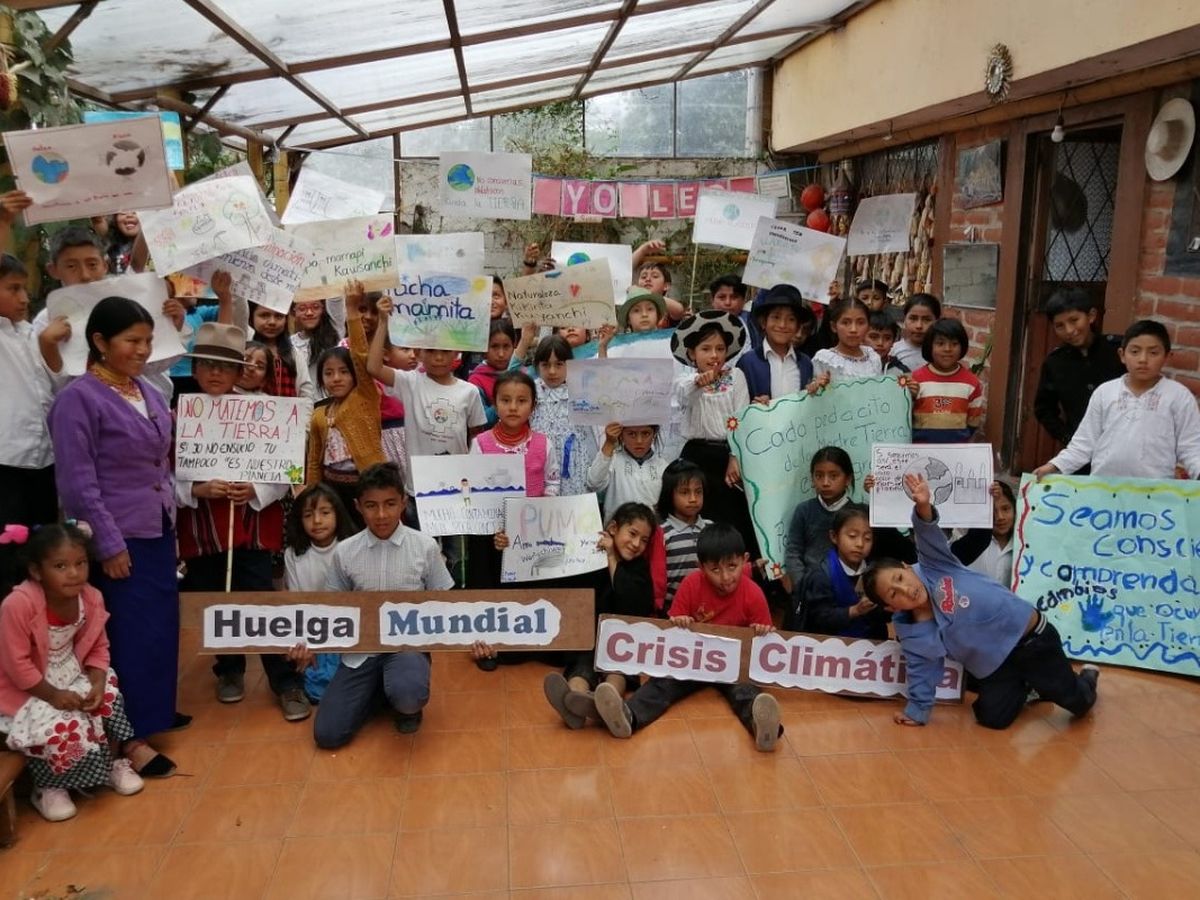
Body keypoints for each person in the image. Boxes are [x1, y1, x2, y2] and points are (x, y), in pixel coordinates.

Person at [48, 297, 182, 777]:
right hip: (119, 535)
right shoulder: (78, 399)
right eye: (132, 340)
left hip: (157, 526)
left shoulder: (145, 389)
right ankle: (130, 738)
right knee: (127, 634)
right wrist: (108, 544)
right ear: (100, 342)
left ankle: (154, 710)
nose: (143, 349)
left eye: (148, 340)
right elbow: (77, 484)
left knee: (159, 628)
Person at [862, 472, 1100, 729]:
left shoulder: (935, 565)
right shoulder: (912, 631)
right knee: (991, 718)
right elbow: (922, 668)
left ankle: (1087, 678)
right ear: (891, 607)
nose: (905, 589)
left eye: (900, 578)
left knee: (1077, 702)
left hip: (1032, 640)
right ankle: (1028, 685)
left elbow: (928, 535)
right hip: (997, 665)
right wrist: (918, 710)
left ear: (906, 567)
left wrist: (922, 507)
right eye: (894, 594)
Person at [175, 322, 308, 720]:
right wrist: (196, 490)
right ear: (194, 370)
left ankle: (284, 680)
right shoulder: (178, 417)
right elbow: (162, 477)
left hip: (251, 530)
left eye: (225, 366)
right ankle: (229, 668)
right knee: (215, 601)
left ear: (239, 371)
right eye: (206, 364)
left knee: (260, 599)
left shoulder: (264, 412)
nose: (215, 373)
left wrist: (255, 489)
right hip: (202, 532)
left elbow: (286, 472)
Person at [591, 523, 783, 751]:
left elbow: (764, 641)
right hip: (692, 661)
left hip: (732, 666)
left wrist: (762, 630)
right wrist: (680, 621)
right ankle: (628, 717)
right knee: (662, 683)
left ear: (745, 560)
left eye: (732, 566)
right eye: (715, 570)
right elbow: (674, 630)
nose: (725, 577)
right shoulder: (691, 584)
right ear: (701, 567)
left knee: (745, 692)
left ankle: (762, 727)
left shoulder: (754, 593)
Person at [0, 524, 145, 822]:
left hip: (69, 671)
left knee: (109, 697)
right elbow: (16, 665)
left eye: (81, 563)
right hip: (27, 686)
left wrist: (97, 681)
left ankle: (110, 765)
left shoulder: (91, 597)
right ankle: (49, 786)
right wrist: (52, 695)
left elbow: (99, 647)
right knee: (58, 724)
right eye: (60, 566)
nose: (74, 573)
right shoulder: (18, 604)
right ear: (37, 571)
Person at [310, 463, 453, 746]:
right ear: (357, 507)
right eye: (371, 506)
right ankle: (377, 692)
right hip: (361, 652)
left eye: (390, 504)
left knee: (409, 695)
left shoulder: (425, 546)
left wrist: (474, 638)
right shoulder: (345, 552)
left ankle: (403, 698)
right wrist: (308, 643)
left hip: (407, 648)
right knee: (327, 734)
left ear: (403, 502)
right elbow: (332, 609)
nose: (382, 514)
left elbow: (447, 603)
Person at [1034, 320, 1200, 480]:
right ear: (1122, 355)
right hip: (1104, 488)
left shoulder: (1179, 397)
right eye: (1135, 351)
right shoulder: (1105, 393)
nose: (1143, 359)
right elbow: (1084, 443)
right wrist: (1054, 466)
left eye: (1153, 353)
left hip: (1155, 492)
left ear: (1167, 357)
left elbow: (1191, 447)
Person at [543, 502, 658, 729]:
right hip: (588, 635)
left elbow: (634, 603)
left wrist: (613, 558)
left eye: (644, 540)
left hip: (622, 640)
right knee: (581, 666)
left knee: (617, 670)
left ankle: (609, 702)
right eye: (632, 534)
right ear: (613, 528)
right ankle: (574, 700)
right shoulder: (588, 556)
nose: (637, 544)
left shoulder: (639, 568)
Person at [365, 296, 487, 499]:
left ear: (456, 352)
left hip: (456, 485)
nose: (438, 357)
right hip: (418, 487)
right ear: (418, 352)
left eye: (445, 350)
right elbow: (373, 367)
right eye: (430, 350)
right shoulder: (409, 383)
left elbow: (476, 436)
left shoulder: (470, 391)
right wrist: (383, 322)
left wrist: (471, 471)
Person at [0, 254, 69, 598]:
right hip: (6, 463)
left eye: (24, 289)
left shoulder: (32, 333)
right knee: (7, 555)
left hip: (43, 460)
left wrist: (47, 345)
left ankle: (37, 618)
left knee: (40, 550)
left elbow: (58, 386)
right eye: (13, 289)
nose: (24, 298)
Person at [671, 310, 754, 549]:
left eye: (719, 348)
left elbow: (742, 418)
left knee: (733, 519)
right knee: (698, 516)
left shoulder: (736, 376)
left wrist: (735, 456)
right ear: (692, 353)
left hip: (730, 457)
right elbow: (684, 395)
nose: (714, 355)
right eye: (706, 349)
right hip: (696, 458)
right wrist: (698, 382)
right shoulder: (685, 381)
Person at [305, 282, 385, 515]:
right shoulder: (319, 414)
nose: (336, 378)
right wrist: (312, 497)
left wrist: (351, 309)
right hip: (333, 491)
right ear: (321, 380)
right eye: (328, 373)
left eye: (343, 371)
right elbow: (314, 461)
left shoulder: (364, 397)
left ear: (354, 375)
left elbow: (360, 355)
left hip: (367, 485)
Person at [284, 484, 358, 704]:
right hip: (312, 629)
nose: (317, 521)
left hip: (349, 628)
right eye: (308, 515)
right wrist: (303, 644)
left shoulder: (352, 547)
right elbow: (295, 603)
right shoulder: (293, 554)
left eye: (325, 513)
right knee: (315, 682)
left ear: (338, 514)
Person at [1033, 288, 1124, 449]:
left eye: (1074, 320)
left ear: (1091, 316)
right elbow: (1044, 409)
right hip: (1082, 451)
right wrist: (1068, 438)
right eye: (1059, 325)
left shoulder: (1119, 351)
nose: (1069, 330)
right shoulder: (1055, 363)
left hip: (1123, 445)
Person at [786, 504, 888, 639]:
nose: (860, 544)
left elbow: (885, 617)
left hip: (871, 645)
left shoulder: (876, 571)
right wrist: (854, 611)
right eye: (852, 536)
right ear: (834, 536)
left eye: (867, 538)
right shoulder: (821, 574)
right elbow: (819, 618)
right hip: (831, 646)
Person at [529, 334, 596, 497]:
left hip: (574, 464)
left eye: (559, 364)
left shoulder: (581, 391)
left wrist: (602, 347)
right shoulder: (531, 392)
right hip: (540, 462)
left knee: (571, 507)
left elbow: (605, 385)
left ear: (569, 364)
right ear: (537, 366)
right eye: (546, 365)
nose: (552, 371)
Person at [784, 447, 856, 594]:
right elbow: (793, 551)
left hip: (848, 588)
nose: (825, 483)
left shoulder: (857, 514)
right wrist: (802, 585)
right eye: (819, 476)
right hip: (809, 587)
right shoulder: (804, 510)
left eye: (833, 476)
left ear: (848, 479)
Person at [736, 283, 815, 402]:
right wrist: (754, 407)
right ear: (764, 322)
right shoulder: (748, 363)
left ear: (798, 326)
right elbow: (738, 404)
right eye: (776, 317)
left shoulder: (805, 363)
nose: (782, 325)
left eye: (791, 319)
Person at [911, 318, 983, 443]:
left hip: (956, 451)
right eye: (940, 344)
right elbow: (906, 416)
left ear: (962, 346)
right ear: (930, 346)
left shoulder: (971, 383)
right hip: (921, 450)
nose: (948, 349)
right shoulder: (916, 379)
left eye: (954, 344)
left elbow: (973, 422)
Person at [652, 459, 710, 614]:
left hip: (708, 611)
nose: (693, 498)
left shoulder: (711, 529)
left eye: (698, 492)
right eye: (684, 492)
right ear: (669, 495)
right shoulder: (661, 533)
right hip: (672, 613)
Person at [586, 423, 665, 520]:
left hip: (651, 527)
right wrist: (609, 443)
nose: (639, 441)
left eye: (646, 433)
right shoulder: (613, 460)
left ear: (654, 434)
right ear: (621, 435)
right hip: (617, 527)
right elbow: (594, 483)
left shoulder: (663, 466)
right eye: (631, 434)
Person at [467, 318, 533, 423]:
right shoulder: (476, 381)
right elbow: (481, 421)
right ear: (485, 348)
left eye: (506, 346)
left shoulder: (526, 375)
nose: (501, 354)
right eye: (494, 346)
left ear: (514, 346)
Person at [249, 301, 313, 400]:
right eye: (264, 315)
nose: (272, 322)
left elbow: (306, 392)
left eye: (279, 316)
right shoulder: (244, 349)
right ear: (251, 317)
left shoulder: (294, 354)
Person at [811, 297, 881, 384]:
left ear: (868, 326)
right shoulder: (825, 359)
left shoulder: (873, 358)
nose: (853, 329)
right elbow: (813, 388)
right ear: (834, 326)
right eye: (845, 323)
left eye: (860, 323)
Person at [292, 298, 343, 393]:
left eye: (315, 307)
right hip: (303, 400)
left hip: (332, 399)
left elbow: (336, 298)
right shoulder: (289, 343)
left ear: (323, 309)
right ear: (294, 312)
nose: (309, 313)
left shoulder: (335, 329)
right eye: (302, 309)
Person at [892, 293, 941, 371]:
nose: (919, 326)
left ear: (937, 321)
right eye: (913, 318)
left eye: (927, 320)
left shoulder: (943, 353)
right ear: (904, 320)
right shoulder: (893, 351)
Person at [866, 311, 910, 375]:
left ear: (893, 342)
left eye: (887, 338)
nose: (880, 343)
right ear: (862, 338)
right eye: (874, 337)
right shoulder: (852, 367)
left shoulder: (901, 372)